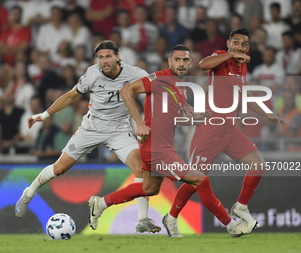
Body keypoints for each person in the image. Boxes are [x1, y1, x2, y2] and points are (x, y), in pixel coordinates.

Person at [88, 44, 257, 238]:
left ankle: (100, 203)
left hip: (164, 146)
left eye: (185, 60)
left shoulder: (181, 89)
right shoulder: (160, 78)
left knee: (148, 188)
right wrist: (140, 123)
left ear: (190, 63)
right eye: (177, 60)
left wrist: (191, 116)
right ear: (170, 62)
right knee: (200, 180)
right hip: (156, 149)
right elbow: (126, 90)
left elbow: (168, 118)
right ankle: (231, 225)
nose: (181, 64)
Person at [15, 40, 161, 233]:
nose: (104, 61)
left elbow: (160, 88)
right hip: (91, 128)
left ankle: (142, 218)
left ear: (118, 57)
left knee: (141, 169)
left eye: (108, 56)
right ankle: (28, 193)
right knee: (60, 168)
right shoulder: (92, 74)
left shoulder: (135, 74)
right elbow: (69, 96)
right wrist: (43, 115)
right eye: (101, 57)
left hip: (119, 130)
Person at [167, 28, 287, 235]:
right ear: (229, 44)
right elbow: (203, 64)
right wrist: (231, 55)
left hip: (230, 130)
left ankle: (240, 207)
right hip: (210, 130)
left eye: (244, 44)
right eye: (236, 43)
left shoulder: (242, 69)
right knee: (196, 180)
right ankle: (171, 218)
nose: (239, 47)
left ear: (248, 48)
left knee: (258, 164)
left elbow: (244, 96)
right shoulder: (220, 58)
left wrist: (268, 114)